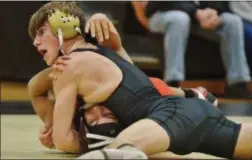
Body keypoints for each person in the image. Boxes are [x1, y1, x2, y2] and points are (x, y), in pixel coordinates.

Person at [28, 2, 252, 159]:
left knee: (113, 151)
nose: (35, 42)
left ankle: (185, 95)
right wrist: (52, 121)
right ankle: (190, 95)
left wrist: (86, 139)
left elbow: (64, 141)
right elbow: (35, 87)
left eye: (41, 33)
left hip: (168, 117)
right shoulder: (109, 49)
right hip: (189, 119)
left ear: (64, 28)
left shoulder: (68, 68)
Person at [29, 12, 217, 152]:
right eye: (107, 116)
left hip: (113, 90)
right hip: (138, 94)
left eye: (41, 33)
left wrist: (51, 123)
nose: (100, 112)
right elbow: (131, 74)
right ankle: (191, 94)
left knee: (152, 88)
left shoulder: (71, 72)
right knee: (153, 88)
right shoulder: (128, 112)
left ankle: (189, 94)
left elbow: (35, 88)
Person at [131, 1, 252, 99]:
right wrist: (195, 12)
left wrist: (214, 11)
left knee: (232, 21)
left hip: (197, 17)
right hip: (164, 13)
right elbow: (166, 3)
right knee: (180, 19)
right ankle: (172, 83)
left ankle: (237, 83)